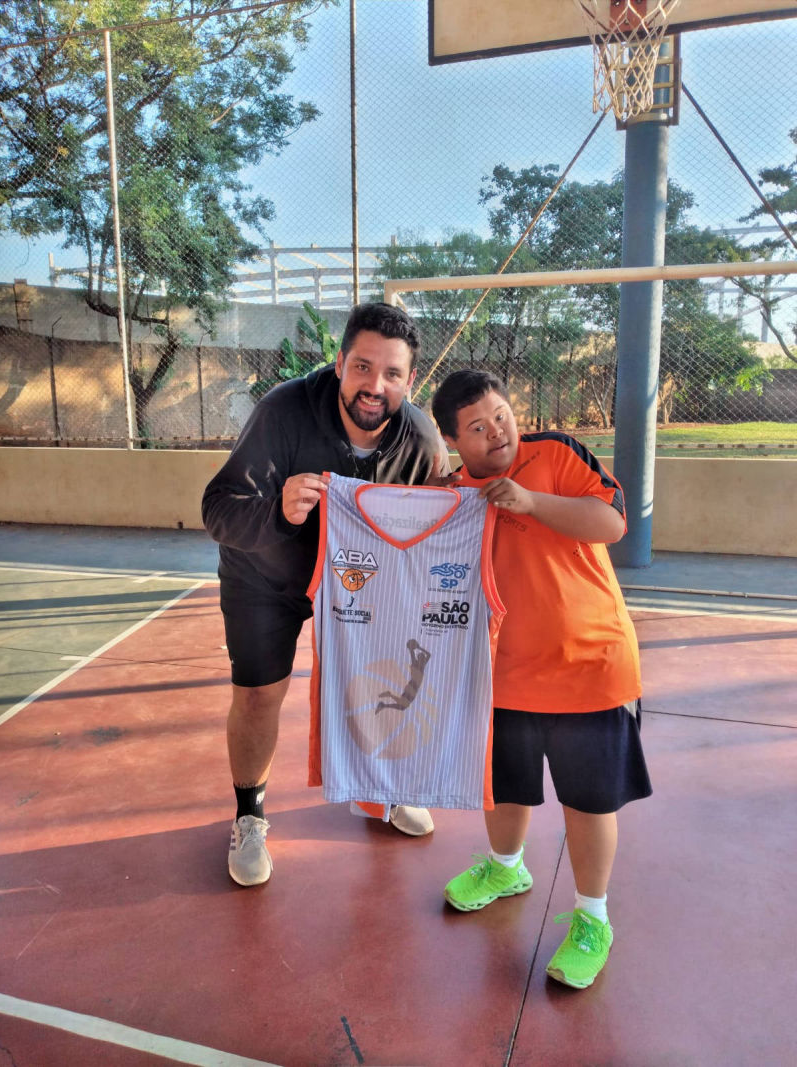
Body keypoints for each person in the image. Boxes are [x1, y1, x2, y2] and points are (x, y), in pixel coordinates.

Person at [202, 302, 450, 887]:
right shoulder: (283, 411)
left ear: (410, 380)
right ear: (339, 364)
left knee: (385, 684)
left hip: (362, 583)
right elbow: (217, 508)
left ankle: (383, 789)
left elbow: (440, 516)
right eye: (362, 367)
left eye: (391, 373)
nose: (375, 386)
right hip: (267, 576)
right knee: (259, 695)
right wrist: (277, 511)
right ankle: (248, 815)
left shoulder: (419, 436)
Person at [430, 369, 651, 990]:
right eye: (477, 427)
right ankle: (506, 868)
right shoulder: (452, 496)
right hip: (501, 678)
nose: (497, 432)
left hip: (589, 669)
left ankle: (593, 918)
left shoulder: (554, 453)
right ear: (454, 441)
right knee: (503, 790)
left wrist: (531, 502)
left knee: (588, 802)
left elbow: (612, 522)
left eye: (500, 415)